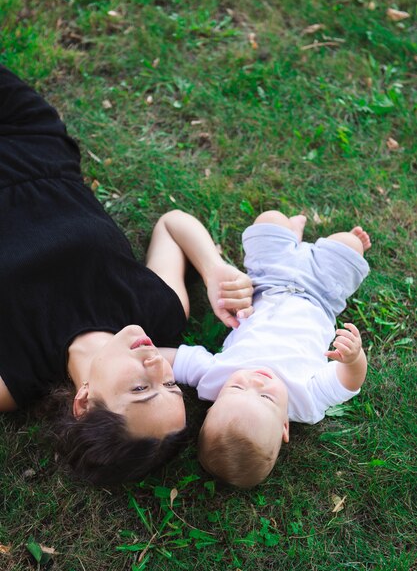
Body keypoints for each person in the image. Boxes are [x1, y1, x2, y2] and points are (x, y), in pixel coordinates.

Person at [0, 65, 253, 485]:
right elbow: (172, 225)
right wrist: (212, 268)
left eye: (140, 389)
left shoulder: (16, 375)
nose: (156, 363)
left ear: (84, 403)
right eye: (170, 385)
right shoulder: (159, 313)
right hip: (31, 140)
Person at [166, 210, 371, 487]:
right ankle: (310, 246)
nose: (254, 381)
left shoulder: (213, 377)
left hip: (268, 280)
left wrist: (137, 357)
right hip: (322, 293)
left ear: (213, 404)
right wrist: (353, 358)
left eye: (236, 389)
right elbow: (349, 383)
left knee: (270, 219)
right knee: (350, 244)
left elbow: (173, 360)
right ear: (284, 426)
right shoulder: (305, 401)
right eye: (266, 398)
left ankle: (293, 236)